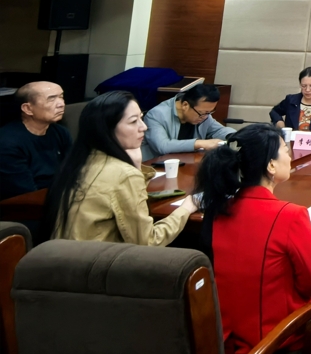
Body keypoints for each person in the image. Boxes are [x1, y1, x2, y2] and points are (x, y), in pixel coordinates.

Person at [194, 124, 311, 354]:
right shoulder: (291, 215)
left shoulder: (218, 209)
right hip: (274, 343)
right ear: (271, 165)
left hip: (223, 342)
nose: (290, 157)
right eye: (285, 151)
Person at [44, 91, 196, 245]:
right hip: (97, 258)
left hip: (63, 255)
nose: (143, 127)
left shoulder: (79, 161)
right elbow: (148, 242)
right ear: (106, 129)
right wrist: (186, 209)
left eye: (141, 118)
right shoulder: (124, 174)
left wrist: (136, 166)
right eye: (133, 121)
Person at [0, 81, 71, 199]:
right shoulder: (8, 143)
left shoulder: (61, 132)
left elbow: (72, 169)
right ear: (28, 108)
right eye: (51, 99)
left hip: (60, 195)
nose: (61, 104)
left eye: (61, 97)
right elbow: (25, 194)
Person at [142, 83, 230, 161]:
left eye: (209, 112)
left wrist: (233, 136)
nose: (205, 117)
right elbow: (163, 146)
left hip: (187, 164)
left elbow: (219, 130)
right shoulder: (156, 115)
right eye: (202, 113)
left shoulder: (203, 114)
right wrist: (199, 143)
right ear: (185, 105)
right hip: (156, 167)